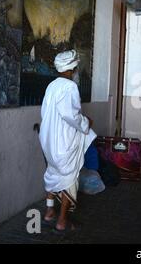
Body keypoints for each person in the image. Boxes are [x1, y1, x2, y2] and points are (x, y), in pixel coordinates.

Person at [39, 50, 97, 232]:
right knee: (68, 179)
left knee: (52, 173)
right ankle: (62, 220)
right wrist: (86, 122)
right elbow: (70, 115)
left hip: (49, 141)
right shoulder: (70, 86)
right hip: (64, 143)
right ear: (72, 68)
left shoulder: (52, 86)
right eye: (76, 67)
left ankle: (49, 211)